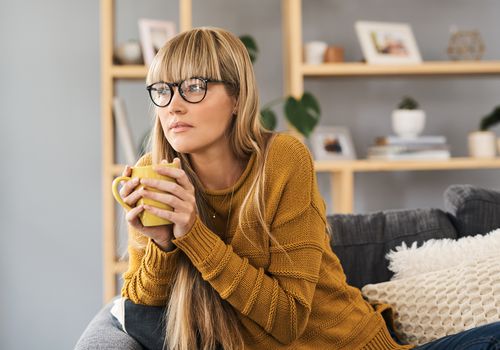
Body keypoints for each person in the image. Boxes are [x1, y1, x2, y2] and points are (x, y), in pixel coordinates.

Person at [77, 27, 500, 350]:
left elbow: (286, 318)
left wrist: (195, 236)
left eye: (194, 86)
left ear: (238, 97)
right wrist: (163, 246)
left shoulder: (282, 160)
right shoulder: (156, 176)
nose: (174, 104)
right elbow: (138, 315)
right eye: (163, 90)